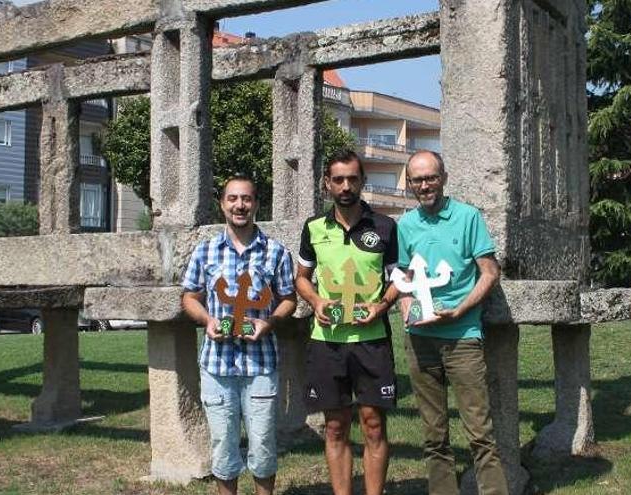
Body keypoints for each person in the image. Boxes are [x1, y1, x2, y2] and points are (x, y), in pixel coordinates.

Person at [396, 150, 509, 495]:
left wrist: (461, 309)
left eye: (431, 177)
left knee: (480, 434)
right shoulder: (406, 225)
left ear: (444, 178)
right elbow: (403, 276)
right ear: (410, 183)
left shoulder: (467, 217)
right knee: (433, 435)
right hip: (420, 340)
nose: (425, 185)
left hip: (462, 337)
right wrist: (405, 307)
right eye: (418, 179)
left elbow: (490, 272)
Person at [181, 175, 297, 495]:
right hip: (217, 366)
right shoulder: (205, 252)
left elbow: (289, 298)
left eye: (246, 199)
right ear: (222, 204)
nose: (239, 205)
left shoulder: (276, 252)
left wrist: (269, 322)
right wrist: (207, 320)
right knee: (222, 445)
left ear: (257, 204)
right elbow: (189, 296)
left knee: (262, 444)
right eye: (232, 199)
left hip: (261, 364)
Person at [295, 150, 400, 495]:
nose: (345, 186)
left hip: (371, 341)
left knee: (373, 425)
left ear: (362, 181)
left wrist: (382, 305)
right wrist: (315, 300)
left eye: (352, 178)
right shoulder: (313, 228)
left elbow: (399, 278)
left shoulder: (385, 227)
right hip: (327, 341)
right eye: (338, 179)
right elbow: (302, 277)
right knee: (335, 427)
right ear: (327, 183)